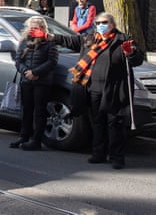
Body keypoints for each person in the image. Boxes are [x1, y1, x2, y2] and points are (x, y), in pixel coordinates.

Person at [51, 12, 142, 169]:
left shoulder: (123, 40)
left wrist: (130, 53)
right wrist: (50, 36)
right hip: (94, 88)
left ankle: (116, 157)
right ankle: (98, 153)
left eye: (105, 22)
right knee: (98, 122)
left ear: (112, 24)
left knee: (115, 124)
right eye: (98, 22)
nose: (101, 25)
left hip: (114, 89)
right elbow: (70, 40)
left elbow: (137, 60)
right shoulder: (90, 38)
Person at [9, 16, 58, 151]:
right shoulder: (24, 41)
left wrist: (36, 72)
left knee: (39, 112)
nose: (33, 30)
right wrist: (26, 72)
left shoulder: (49, 43)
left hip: (42, 82)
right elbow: (18, 61)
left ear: (42, 29)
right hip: (26, 80)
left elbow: (52, 62)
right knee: (27, 110)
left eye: (36, 28)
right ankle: (24, 136)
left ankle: (36, 140)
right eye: (31, 27)